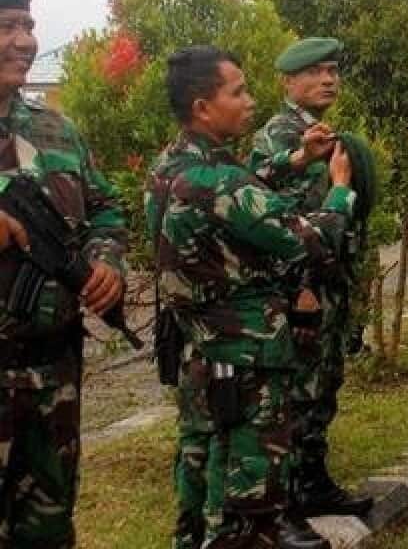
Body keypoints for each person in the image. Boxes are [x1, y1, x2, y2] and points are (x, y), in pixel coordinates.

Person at [147, 45, 354, 549]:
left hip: (203, 351)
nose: (250, 101)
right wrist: (340, 191)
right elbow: (309, 238)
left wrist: (297, 157)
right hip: (246, 361)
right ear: (202, 107)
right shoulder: (215, 182)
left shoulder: (172, 164)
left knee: (201, 467)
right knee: (248, 494)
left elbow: (246, 191)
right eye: (237, 91)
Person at [0, 0, 128, 549]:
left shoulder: (57, 129)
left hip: (54, 379)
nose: (23, 40)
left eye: (27, 25)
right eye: (5, 26)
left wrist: (107, 263)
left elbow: (104, 206)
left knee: (48, 532)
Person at [247, 37, 373, 518]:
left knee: (323, 385)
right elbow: (270, 214)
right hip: (302, 288)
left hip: (329, 281)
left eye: (333, 71)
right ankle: (293, 492)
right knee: (301, 391)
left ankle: (313, 481)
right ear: (288, 81)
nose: (329, 79)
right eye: (317, 71)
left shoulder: (321, 132)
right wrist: (298, 287)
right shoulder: (280, 135)